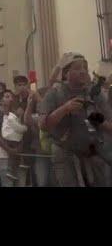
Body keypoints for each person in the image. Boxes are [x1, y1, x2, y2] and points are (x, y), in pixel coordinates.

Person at [39, 52, 112, 187]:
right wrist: (65, 109)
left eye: (85, 68)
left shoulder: (96, 94)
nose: (83, 71)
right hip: (65, 153)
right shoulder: (54, 94)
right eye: (77, 68)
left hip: (93, 153)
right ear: (66, 73)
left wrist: (98, 119)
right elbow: (43, 125)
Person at [0, 90, 20, 186]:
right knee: (8, 183)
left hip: (15, 155)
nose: (10, 99)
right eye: (7, 97)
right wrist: (9, 149)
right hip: (3, 156)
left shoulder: (14, 115)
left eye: (11, 97)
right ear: (1, 101)